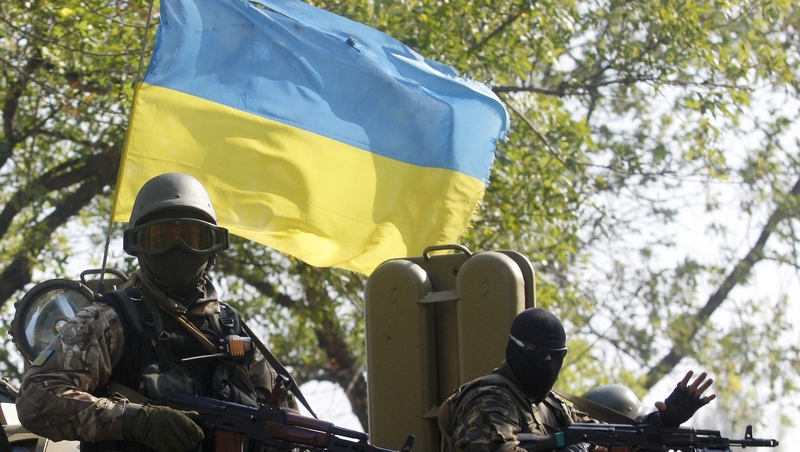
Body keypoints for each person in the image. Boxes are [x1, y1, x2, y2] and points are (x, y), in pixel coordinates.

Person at [16, 172, 298, 452]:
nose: (178, 248)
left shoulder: (230, 326)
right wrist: (135, 421)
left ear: (212, 248)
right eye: (161, 237)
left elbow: (288, 424)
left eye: (192, 237)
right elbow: (37, 399)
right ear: (138, 247)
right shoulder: (112, 318)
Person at [438, 307, 716, 452]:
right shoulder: (490, 399)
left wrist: (662, 422)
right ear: (514, 349)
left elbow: (610, 434)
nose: (548, 363)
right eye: (537, 353)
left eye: (556, 356)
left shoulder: (552, 404)